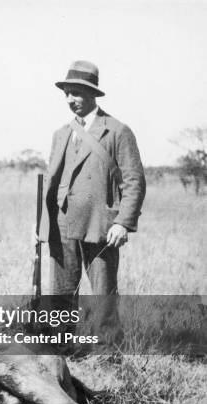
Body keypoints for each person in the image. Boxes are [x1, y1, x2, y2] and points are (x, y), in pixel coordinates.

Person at [39, 60, 146, 344]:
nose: (71, 99)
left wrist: (123, 223)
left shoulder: (117, 131)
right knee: (60, 292)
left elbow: (134, 181)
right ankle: (59, 348)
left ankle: (108, 353)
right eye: (67, 93)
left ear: (92, 94)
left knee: (103, 293)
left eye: (76, 92)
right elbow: (51, 182)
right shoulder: (61, 133)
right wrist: (44, 226)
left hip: (101, 224)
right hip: (63, 224)